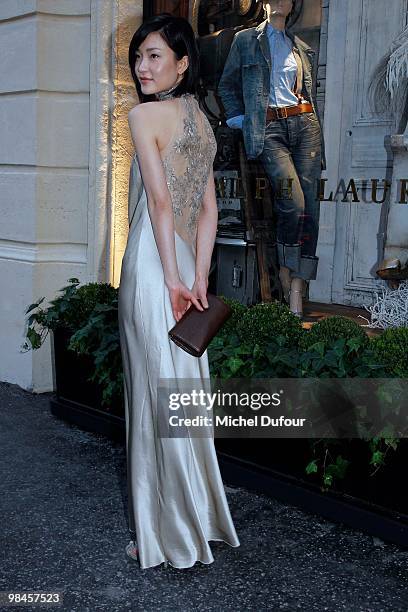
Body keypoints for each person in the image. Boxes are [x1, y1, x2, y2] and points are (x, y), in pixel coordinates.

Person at [118, 13, 240, 570]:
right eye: (139, 56)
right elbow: (209, 211)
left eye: (154, 56)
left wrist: (168, 279)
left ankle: (162, 535)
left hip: (153, 262)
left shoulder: (145, 116)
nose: (142, 67)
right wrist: (199, 278)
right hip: (185, 262)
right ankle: (192, 521)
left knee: (152, 396)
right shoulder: (201, 118)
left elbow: (162, 206)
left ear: (182, 62)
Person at [218, 0, 326, 318]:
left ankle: (297, 285)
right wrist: (242, 120)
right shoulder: (245, 40)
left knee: (311, 210)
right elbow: (227, 86)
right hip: (269, 129)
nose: (280, 1)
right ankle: (285, 271)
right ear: (264, 2)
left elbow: (308, 93)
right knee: (292, 203)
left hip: (306, 125)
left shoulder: (302, 47)